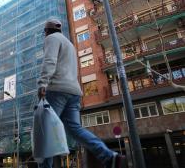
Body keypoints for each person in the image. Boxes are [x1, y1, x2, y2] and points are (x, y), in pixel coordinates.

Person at [37, 18, 126, 168]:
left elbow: (49, 61)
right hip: (74, 92)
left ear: (46, 31)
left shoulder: (51, 39)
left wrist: (42, 83)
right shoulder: (70, 45)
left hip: (57, 90)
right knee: (75, 129)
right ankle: (109, 156)